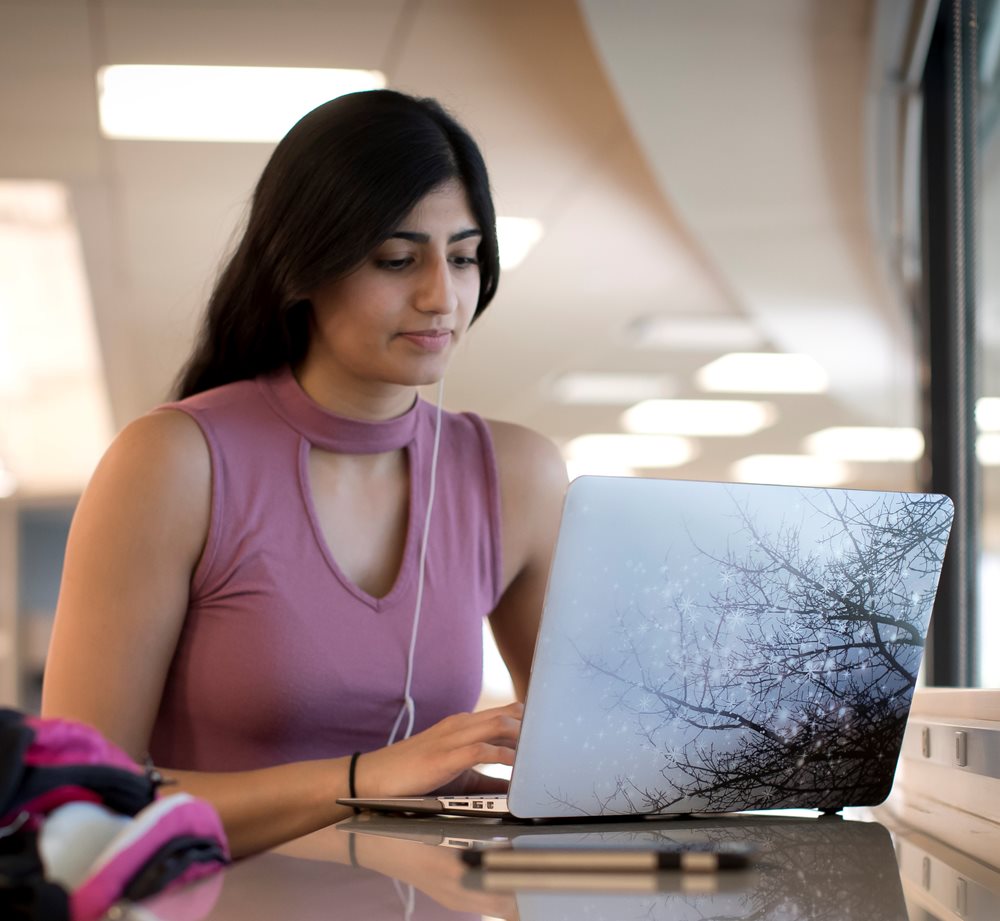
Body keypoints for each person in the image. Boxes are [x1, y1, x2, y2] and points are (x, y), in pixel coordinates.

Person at [41, 89, 568, 858]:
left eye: (463, 256)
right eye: (397, 259)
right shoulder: (173, 462)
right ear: (302, 265)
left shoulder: (515, 476)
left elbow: (585, 759)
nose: (441, 296)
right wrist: (366, 777)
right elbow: (79, 801)